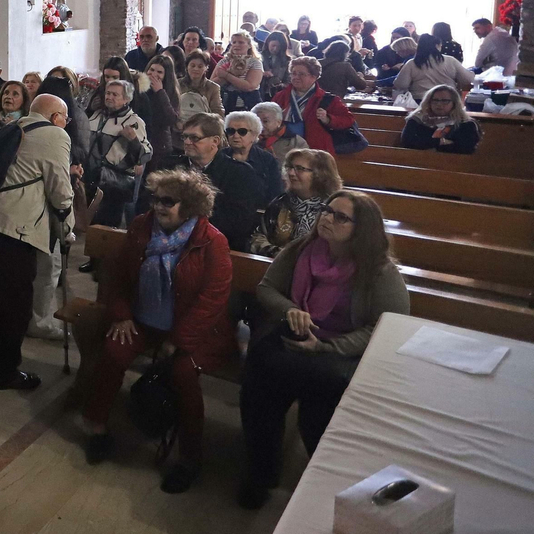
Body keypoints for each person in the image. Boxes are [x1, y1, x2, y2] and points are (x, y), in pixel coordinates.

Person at [236, 191, 409, 509]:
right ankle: (261, 474)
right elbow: (267, 288)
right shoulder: (301, 249)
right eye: (327, 211)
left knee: (319, 401)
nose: (327, 218)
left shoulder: (379, 271)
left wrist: (329, 346)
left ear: (362, 228)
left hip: (339, 353)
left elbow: (387, 327)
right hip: (298, 339)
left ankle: (326, 487)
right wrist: (290, 310)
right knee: (259, 384)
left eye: (340, 217)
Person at [81, 167, 234, 494]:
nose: (158, 206)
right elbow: (118, 275)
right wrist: (121, 315)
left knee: (183, 374)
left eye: (168, 201)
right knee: (114, 350)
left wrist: (178, 340)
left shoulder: (211, 241)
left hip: (193, 329)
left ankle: (190, 457)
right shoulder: (141, 226)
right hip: (143, 319)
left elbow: (213, 299)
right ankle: (97, 427)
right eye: (156, 199)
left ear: (189, 206)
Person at [0, 93, 75, 391]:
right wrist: (67, 230)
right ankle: (3, 372)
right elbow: (60, 191)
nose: (66, 124)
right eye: (65, 118)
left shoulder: (10, 127)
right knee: (14, 309)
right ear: (56, 117)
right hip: (11, 232)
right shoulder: (55, 135)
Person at [142, 113, 266, 252]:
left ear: (215, 141)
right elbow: (146, 203)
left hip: (213, 246)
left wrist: (184, 220)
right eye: (185, 137)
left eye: (195, 138)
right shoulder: (168, 166)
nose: (187, 142)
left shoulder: (240, 173)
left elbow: (238, 221)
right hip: (162, 240)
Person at [84, 79, 151, 227]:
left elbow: (144, 156)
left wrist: (133, 140)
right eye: (108, 93)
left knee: (105, 231)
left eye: (115, 94)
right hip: (88, 181)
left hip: (113, 186)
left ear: (126, 99)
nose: (109, 97)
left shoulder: (134, 122)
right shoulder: (95, 115)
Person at [256, 149, 342, 256]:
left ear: (320, 174)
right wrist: (279, 254)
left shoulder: (334, 208)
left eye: (300, 169)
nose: (291, 173)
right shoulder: (280, 202)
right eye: (290, 167)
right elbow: (258, 237)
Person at [274, 56, 356, 154]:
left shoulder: (328, 99)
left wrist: (328, 119)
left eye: (301, 74)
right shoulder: (280, 96)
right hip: (283, 149)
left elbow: (348, 119)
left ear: (314, 77)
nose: (296, 77)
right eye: (293, 73)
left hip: (314, 150)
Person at [392, 34, 474, 104]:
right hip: (447, 101)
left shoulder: (412, 63)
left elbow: (401, 84)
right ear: (437, 45)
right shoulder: (450, 60)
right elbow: (467, 79)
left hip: (420, 101)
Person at [401, 85, 481, 154]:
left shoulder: (465, 124)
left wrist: (429, 145)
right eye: (435, 100)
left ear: (454, 103)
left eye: (445, 101)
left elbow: (466, 148)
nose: (439, 104)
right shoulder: (417, 120)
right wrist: (441, 142)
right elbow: (407, 142)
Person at [224, 110, 283, 202]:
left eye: (242, 131)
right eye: (230, 131)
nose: (235, 136)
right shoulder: (220, 157)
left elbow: (275, 192)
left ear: (254, 135)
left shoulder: (267, 159)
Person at [136, 53, 181, 160]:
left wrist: (160, 92)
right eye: (151, 70)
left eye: (159, 72)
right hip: (139, 140)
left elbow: (171, 119)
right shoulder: (139, 89)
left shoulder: (171, 92)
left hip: (159, 146)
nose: (153, 74)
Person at [212, 31, 265, 114]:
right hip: (226, 102)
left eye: (241, 42)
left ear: (249, 45)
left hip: (248, 103)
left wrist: (226, 75)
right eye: (234, 42)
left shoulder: (255, 62)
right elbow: (212, 84)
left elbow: (249, 86)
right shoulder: (223, 61)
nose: (236, 45)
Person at [177, 51, 224, 120]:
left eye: (200, 66)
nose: (196, 69)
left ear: (206, 68)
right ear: (187, 67)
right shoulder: (176, 84)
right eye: (192, 65)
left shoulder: (213, 88)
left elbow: (218, 113)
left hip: (204, 124)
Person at [259, 30, 292, 101]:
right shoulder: (258, 57)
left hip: (278, 94)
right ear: (268, 43)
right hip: (260, 93)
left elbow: (289, 80)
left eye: (279, 47)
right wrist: (262, 74)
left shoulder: (287, 60)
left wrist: (280, 85)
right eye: (273, 45)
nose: (275, 49)